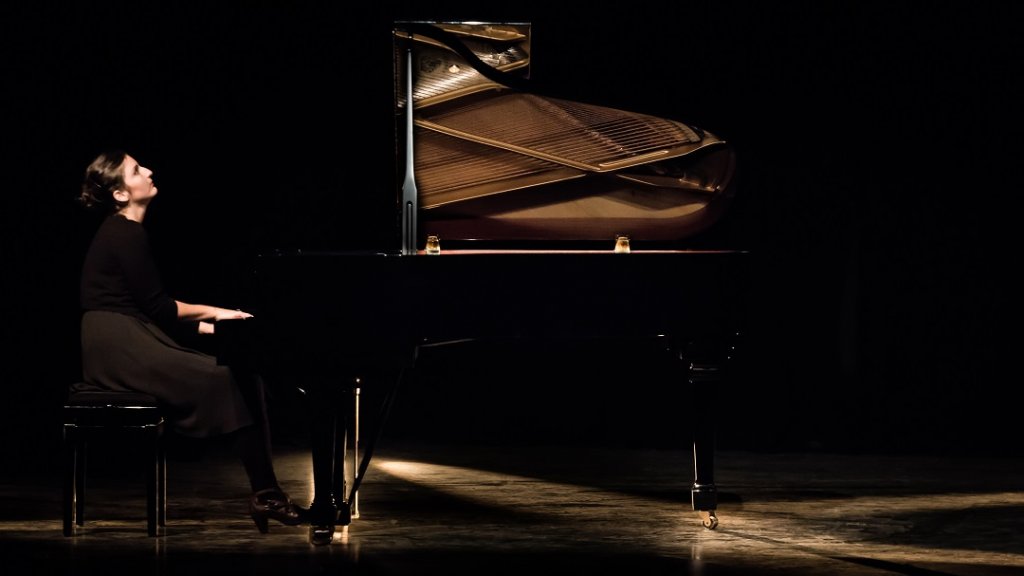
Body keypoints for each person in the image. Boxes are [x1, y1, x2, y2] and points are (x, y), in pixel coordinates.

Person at [74, 149, 304, 533]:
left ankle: (266, 493)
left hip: (128, 336)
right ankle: (266, 494)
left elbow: (151, 313)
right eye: (135, 169)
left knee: (243, 375)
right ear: (119, 193)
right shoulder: (124, 232)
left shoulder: (125, 232)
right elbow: (159, 308)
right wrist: (218, 313)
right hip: (116, 346)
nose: (148, 170)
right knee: (227, 380)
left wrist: (218, 329)